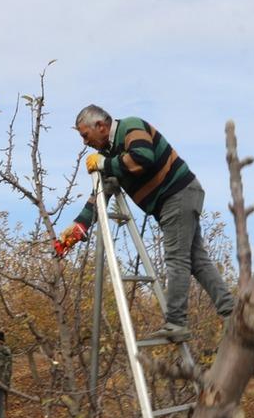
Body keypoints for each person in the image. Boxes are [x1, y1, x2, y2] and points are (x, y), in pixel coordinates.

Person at [55, 105, 236, 342]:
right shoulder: (110, 155)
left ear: (100, 126)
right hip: (174, 201)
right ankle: (231, 311)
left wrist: (104, 164)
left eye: (85, 135)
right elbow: (101, 194)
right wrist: (78, 228)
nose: (84, 143)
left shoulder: (131, 126)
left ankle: (177, 323)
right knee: (196, 260)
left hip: (178, 193)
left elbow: (143, 158)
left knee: (176, 258)